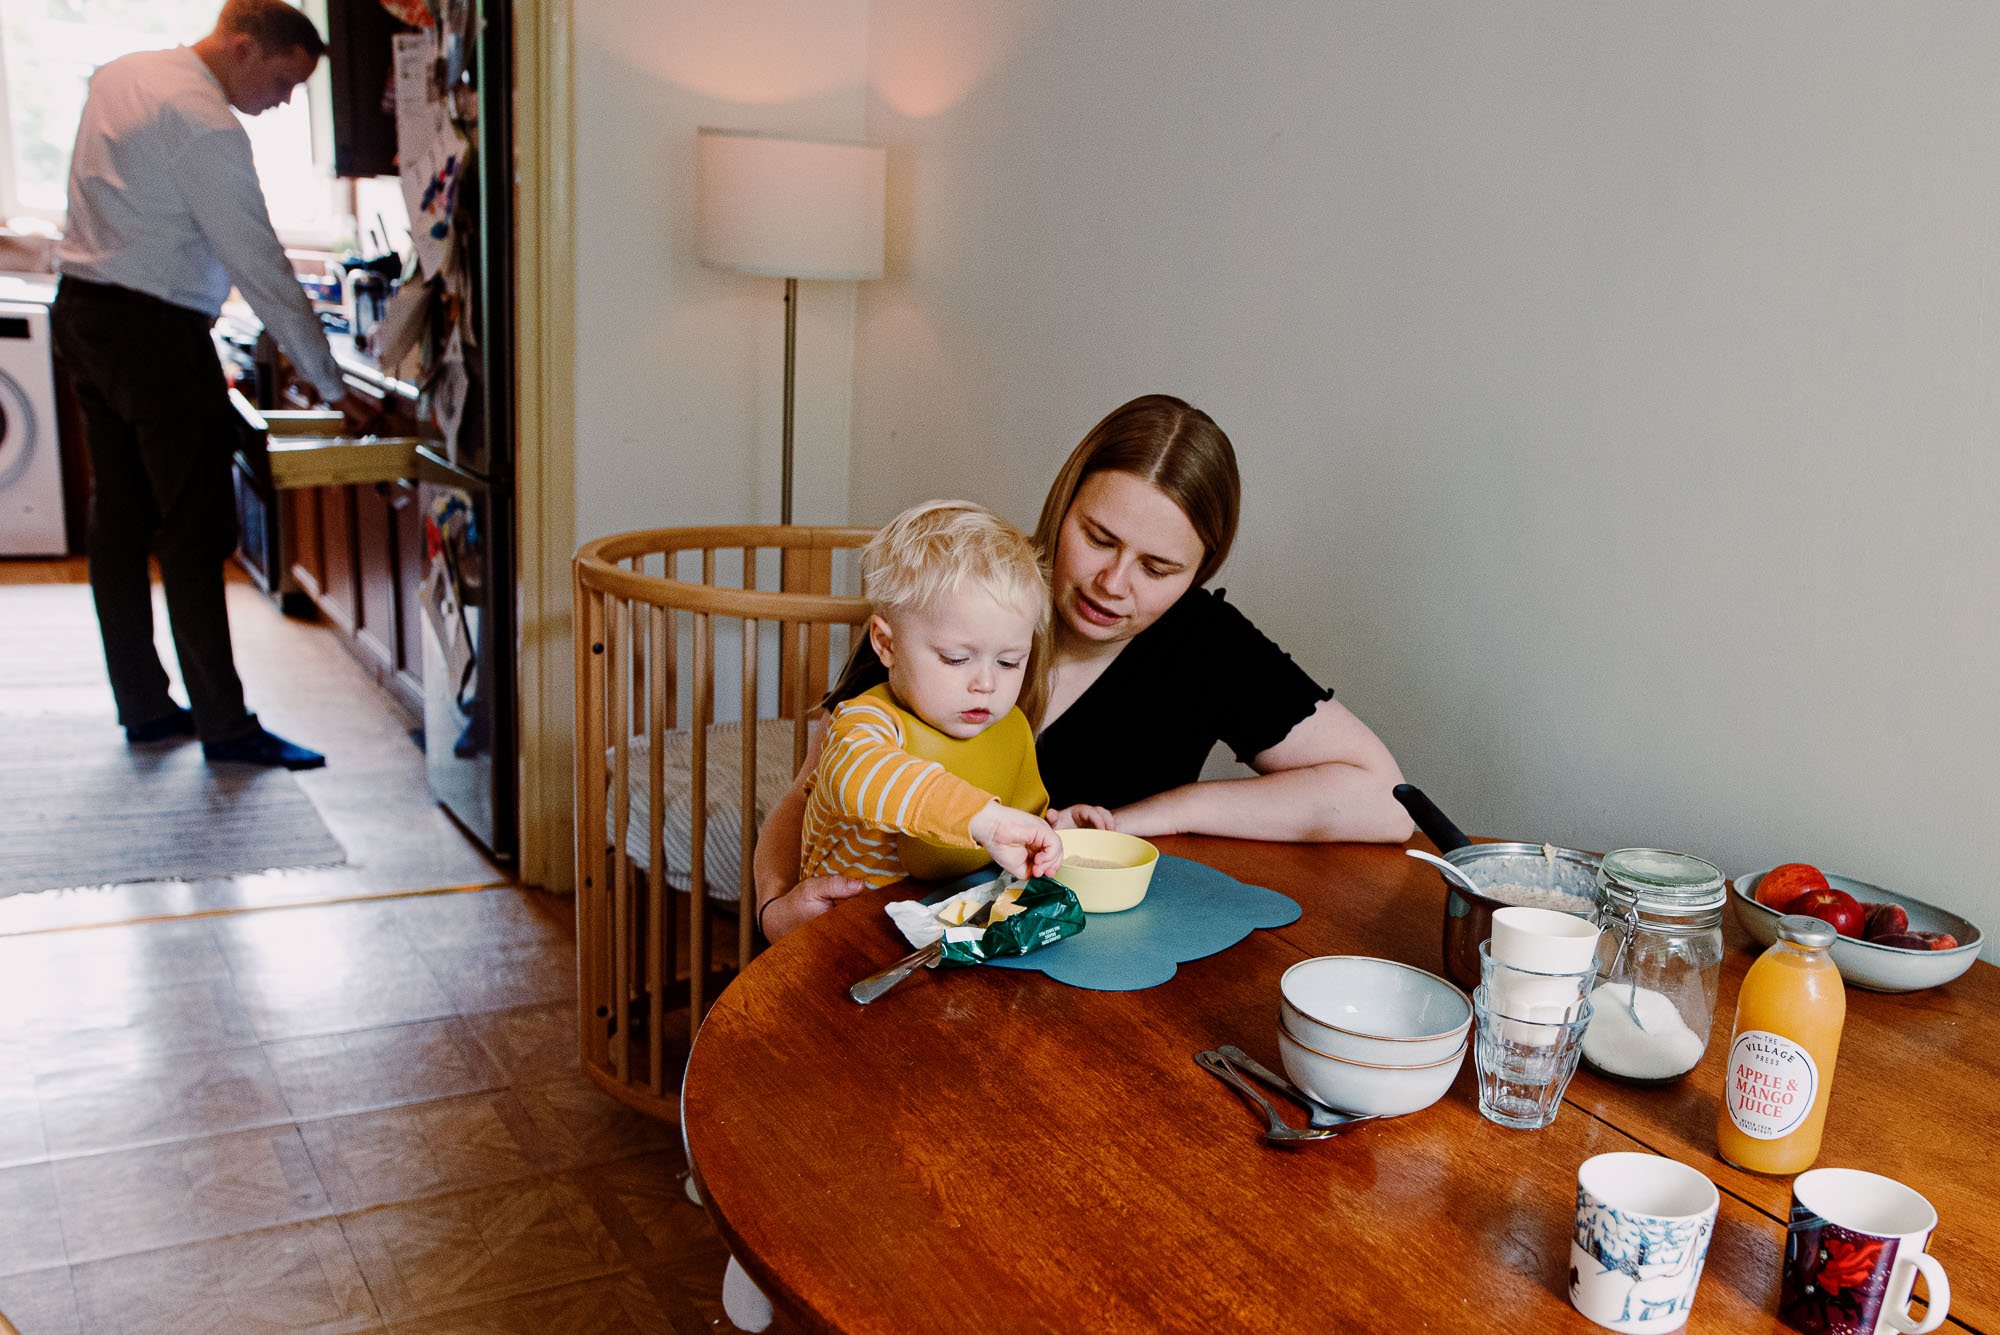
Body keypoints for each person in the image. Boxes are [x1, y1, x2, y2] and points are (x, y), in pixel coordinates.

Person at [753, 394, 1415, 940]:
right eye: (1098, 538)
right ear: (1064, 504)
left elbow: (1385, 804)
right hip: (878, 949)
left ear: (1198, 572)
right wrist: (773, 906)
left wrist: (1151, 815)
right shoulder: (963, 601)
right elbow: (809, 790)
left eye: (1158, 568)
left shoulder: (1204, 643)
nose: (1113, 583)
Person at [51, 0, 381, 770]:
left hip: (84, 313)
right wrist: (332, 386)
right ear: (241, 46)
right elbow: (258, 263)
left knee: (122, 521)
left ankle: (143, 705)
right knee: (198, 529)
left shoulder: (123, 74)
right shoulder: (205, 122)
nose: (283, 102)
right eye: (284, 81)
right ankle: (226, 726)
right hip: (153, 334)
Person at [794, 501, 1111, 915]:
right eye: (957, 659)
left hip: (938, 928)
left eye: (1009, 661)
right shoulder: (868, 723)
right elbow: (860, 775)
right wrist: (985, 819)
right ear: (887, 644)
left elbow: (1011, 823)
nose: (986, 683)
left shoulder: (1006, 727)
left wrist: (1051, 829)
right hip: (845, 930)